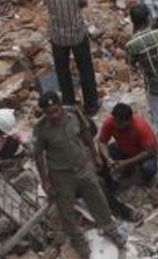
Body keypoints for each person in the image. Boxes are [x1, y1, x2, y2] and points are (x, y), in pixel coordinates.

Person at [35, 90, 118, 248]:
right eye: (48, 113)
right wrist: (45, 181)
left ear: (60, 106)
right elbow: (38, 155)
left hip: (82, 167)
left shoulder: (73, 114)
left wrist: (95, 155)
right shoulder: (41, 129)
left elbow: (86, 133)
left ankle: (110, 229)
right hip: (61, 175)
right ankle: (78, 241)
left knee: (97, 199)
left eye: (55, 111)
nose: (53, 115)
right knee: (66, 211)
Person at [43, 0, 98, 115]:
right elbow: (83, 4)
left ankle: (69, 104)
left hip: (58, 37)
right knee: (86, 69)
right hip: (77, 35)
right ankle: (91, 105)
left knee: (62, 71)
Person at [95, 102, 158, 215]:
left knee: (149, 168)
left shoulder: (140, 127)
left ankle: (143, 178)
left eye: (119, 122)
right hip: (122, 148)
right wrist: (108, 159)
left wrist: (126, 162)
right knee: (102, 155)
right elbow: (101, 142)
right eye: (115, 120)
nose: (116, 124)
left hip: (142, 154)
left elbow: (151, 151)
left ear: (129, 120)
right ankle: (110, 185)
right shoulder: (110, 122)